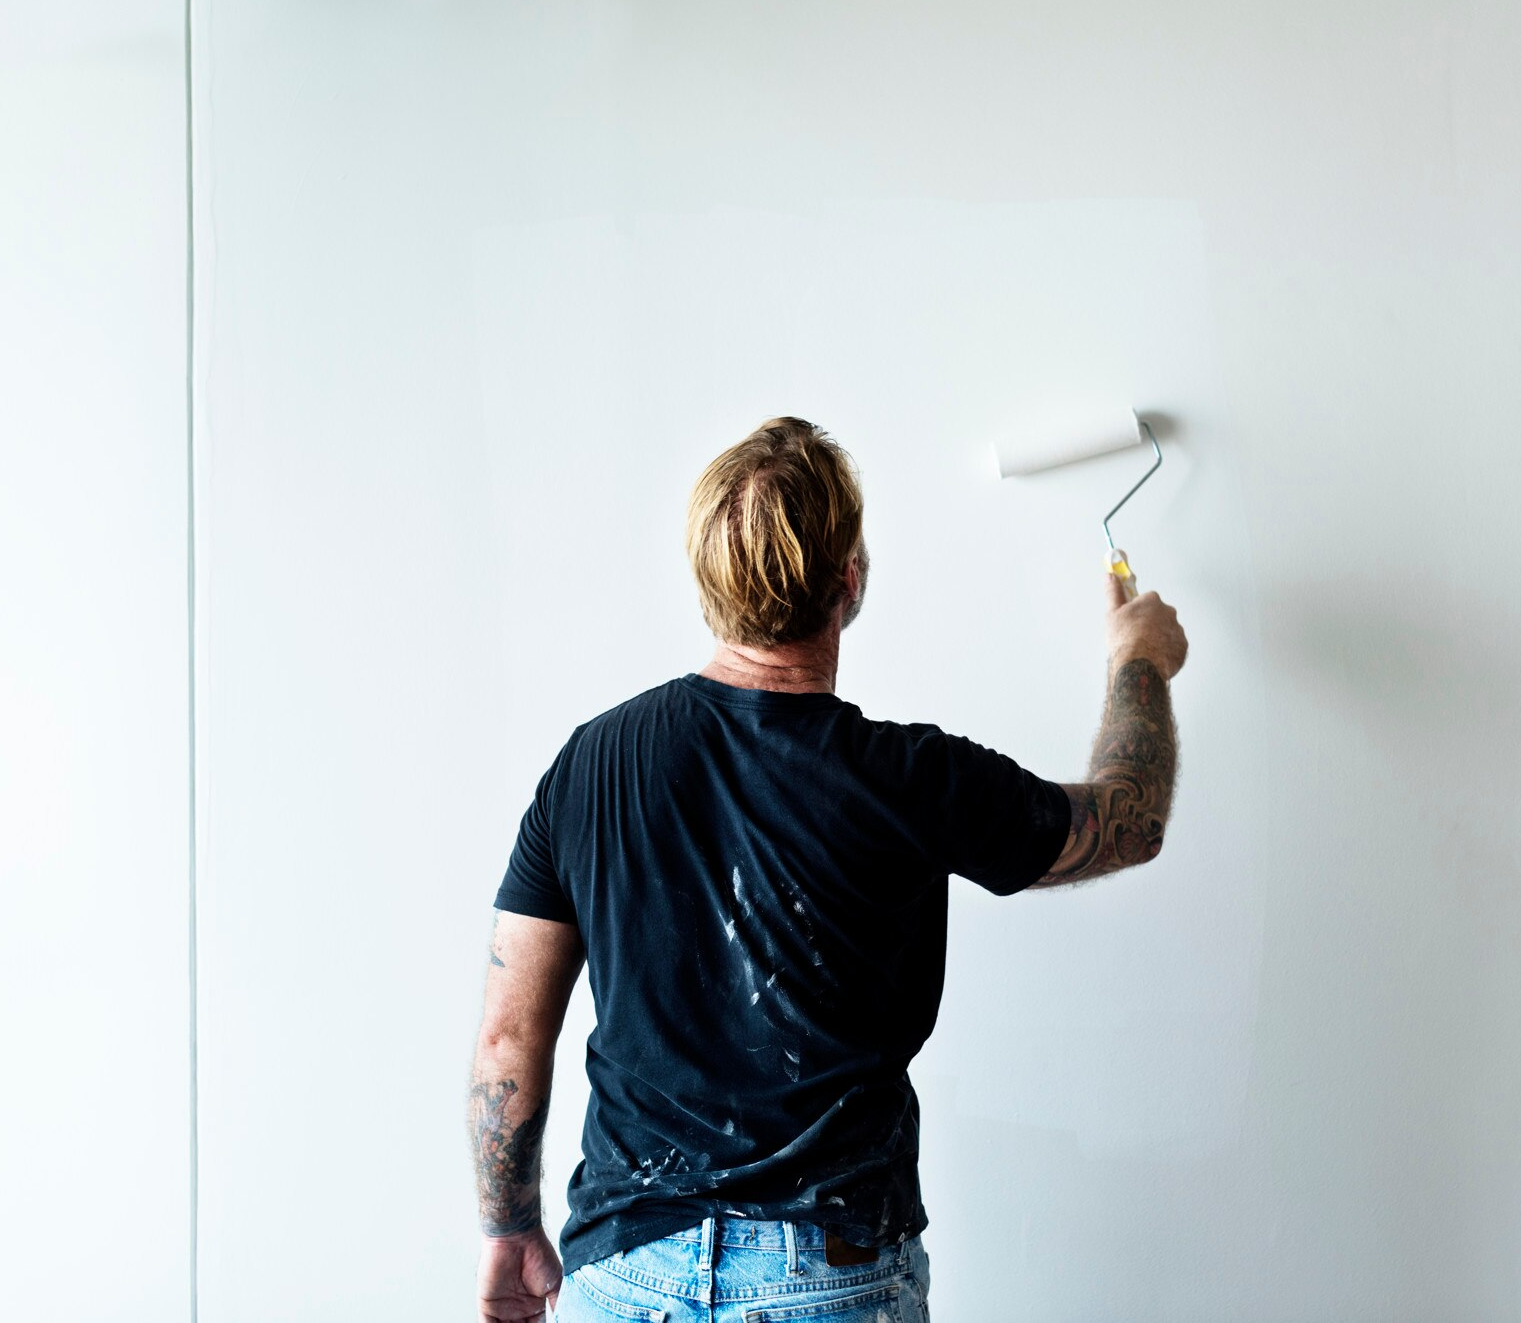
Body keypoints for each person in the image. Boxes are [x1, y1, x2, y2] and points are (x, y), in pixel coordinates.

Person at [467, 417, 1187, 1322]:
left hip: (627, 1273)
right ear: (851, 581)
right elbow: (1128, 821)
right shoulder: (911, 780)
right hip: (828, 1279)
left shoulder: (590, 769)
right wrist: (1139, 663)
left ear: (705, 584)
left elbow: (506, 1043)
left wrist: (507, 1229)